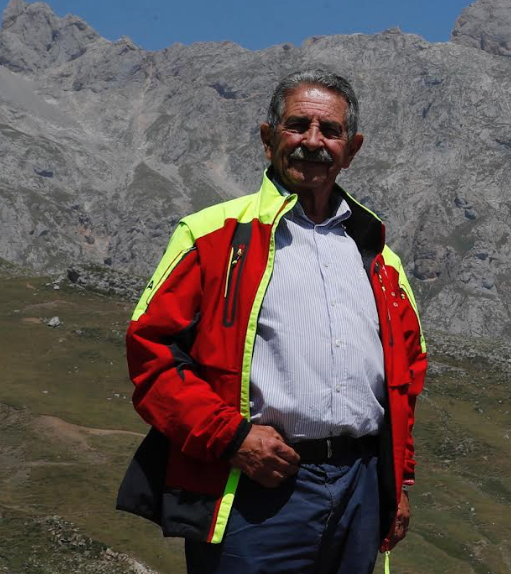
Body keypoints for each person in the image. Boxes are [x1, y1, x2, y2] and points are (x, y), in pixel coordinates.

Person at [116, 68, 428, 574]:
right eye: (297, 125)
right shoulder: (210, 235)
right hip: (256, 486)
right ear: (268, 139)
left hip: (362, 486)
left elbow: (406, 376)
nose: (313, 141)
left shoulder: (378, 257)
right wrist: (231, 438)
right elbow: (152, 354)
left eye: (330, 130)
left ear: (352, 149)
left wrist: (399, 482)